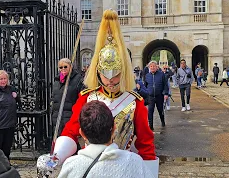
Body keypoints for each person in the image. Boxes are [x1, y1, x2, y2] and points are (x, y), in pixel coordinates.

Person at [37, 9, 158, 178]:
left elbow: (146, 143)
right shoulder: (86, 97)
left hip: (123, 167)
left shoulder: (134, 102)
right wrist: (56, 157)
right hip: (90, 163)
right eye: (105, 75)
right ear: (98, 72)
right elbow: (71, 131)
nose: (110, 81)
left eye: (115, 75)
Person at [58, 100, 155, 178]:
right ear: (114, 129)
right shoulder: (135, 162)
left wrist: (54, 159)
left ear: (82, 133)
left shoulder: (71, 165)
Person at [51, 58, 84, 135]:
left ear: (70, 66)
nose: (63, 69)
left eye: (65, 66)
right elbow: (54, 98)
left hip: (70, 117)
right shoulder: (57, 80)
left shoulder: (78, 79)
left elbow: (81, 98)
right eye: (61, 67)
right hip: (58, 118)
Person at [136, 61, 169, 130]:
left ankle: (162, 122)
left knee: (160, 110)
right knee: (150, 111)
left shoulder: (161, 74)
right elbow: (145, 86)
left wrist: (166, 93)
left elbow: (165, 85)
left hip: (159, 96)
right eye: (151, 66)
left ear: (156, 67)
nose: (152, 67)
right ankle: (150, 126)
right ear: (149, 67)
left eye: (154, 66)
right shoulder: (147, 76)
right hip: (150, 97)